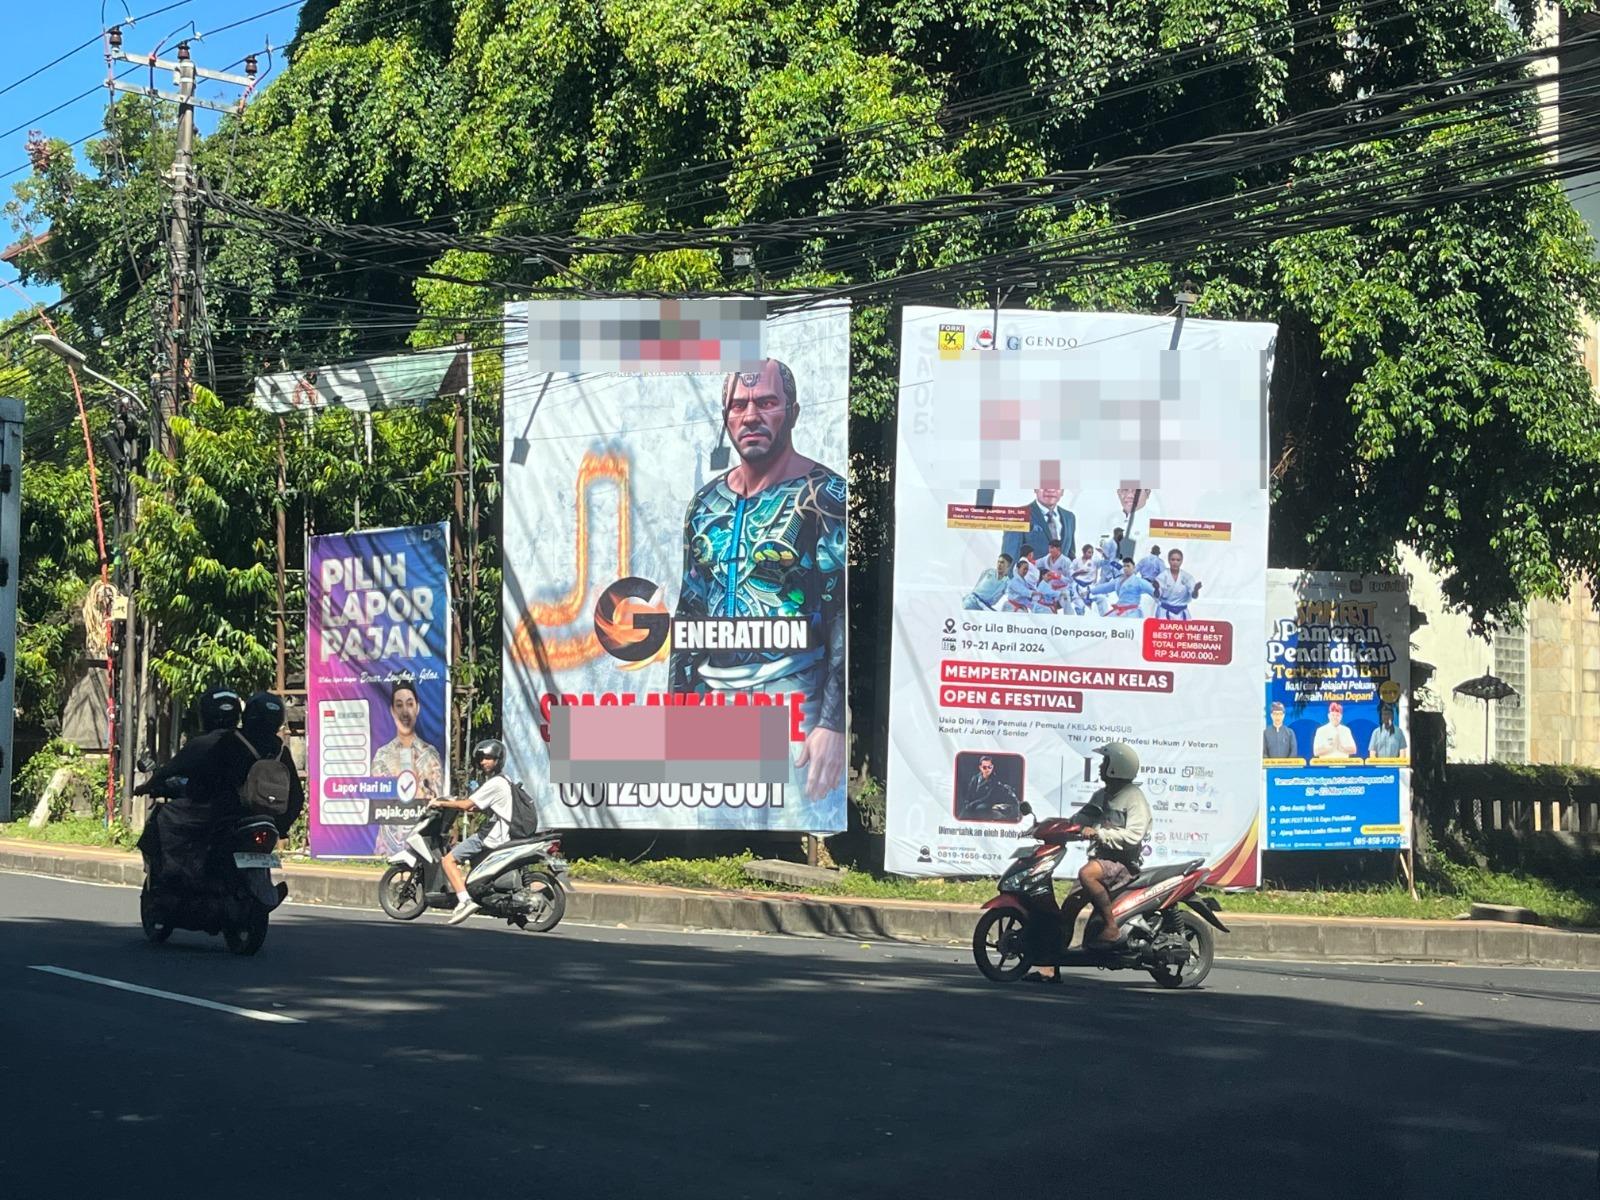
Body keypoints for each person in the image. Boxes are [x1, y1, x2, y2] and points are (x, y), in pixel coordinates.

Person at [670, 359, 846, 804]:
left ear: (792, 411)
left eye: (766, 402)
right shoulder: (706, 502)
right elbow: (690, 610)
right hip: (713, 696)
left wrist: (832, 721)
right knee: (715, 832)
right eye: (739, 405)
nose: (751, 415)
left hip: (792, 695)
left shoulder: (826, 494)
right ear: (726, 416)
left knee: (792, 816)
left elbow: (843, 612)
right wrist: (677, 708)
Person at [1027, 742, 1152, 981]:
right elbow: (1082, 817)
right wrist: (1061, 828)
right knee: (1068, 909)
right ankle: (1050, 968)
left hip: (1123, 863)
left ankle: (1111, 927)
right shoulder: (1102, 795)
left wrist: (1099, 833)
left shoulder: (1133, 798)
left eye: (1105, 763)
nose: (1100, 768)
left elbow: (1135, 835)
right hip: (1102, 860)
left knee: (1087, 874)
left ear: (1116, 767)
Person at [427, 738, 518, 925]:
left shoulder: (494, 783)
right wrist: (468, 806)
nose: (484, 762)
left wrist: (441, 802)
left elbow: (467, 803)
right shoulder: (505, 780)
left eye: (489, 758)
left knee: (448, 860)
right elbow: (478, 806)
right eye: (482, 758)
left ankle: (464, 901)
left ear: (498, 760)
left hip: (492, 835)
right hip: (504, 832)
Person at [370, 678, 446, 855]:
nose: (405, 712)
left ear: (417, 708)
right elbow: (379, 798)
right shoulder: (382, 755)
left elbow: (436, 799)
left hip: (421, 841)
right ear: (392, 710)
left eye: (409, 704)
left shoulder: (430, 754)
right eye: (399, 705)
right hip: (387, 847)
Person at [1001, 485, 1077, 569]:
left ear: (1062, 490)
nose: (1050, 489)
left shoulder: (1069, 517)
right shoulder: (1017, 516)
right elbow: (1009, 562)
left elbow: (1071, 556)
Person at [958, 755, 1020, 821]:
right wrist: (967, 802)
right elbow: (969, 792)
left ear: (992, 767)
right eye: (984, 767)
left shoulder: (995, 780)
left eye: (989, 767)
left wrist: (973, 804)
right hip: (975, 802)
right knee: (964, 810)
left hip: (987, 802)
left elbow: (987, 797)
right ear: (980, 767)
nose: (987, 769)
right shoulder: (975, 778)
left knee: (979, 809)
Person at [1089, 557, 1157, 617]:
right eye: (1124, 566)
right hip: (1119, 609)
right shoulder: (1118, 581)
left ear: (1133, 567)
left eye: (1128, 566)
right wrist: (1091, 591)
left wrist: (1161, 598)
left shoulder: (1138, 581)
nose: (1126, 568)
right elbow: (1105, 587)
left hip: (1132, 612)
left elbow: (1153, 591)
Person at [1155, 548, 1202, 619]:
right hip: (1164, 611)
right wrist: (1156, 588)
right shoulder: (1162, 576)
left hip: (1182, 612)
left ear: (1182, 561)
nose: (1175, 562)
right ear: (1168, 560)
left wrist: (1196, 590)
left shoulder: (1187, 577)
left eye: (1178, 560)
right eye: (1172, 559)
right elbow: (1157, 595)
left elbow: (1194, 596)